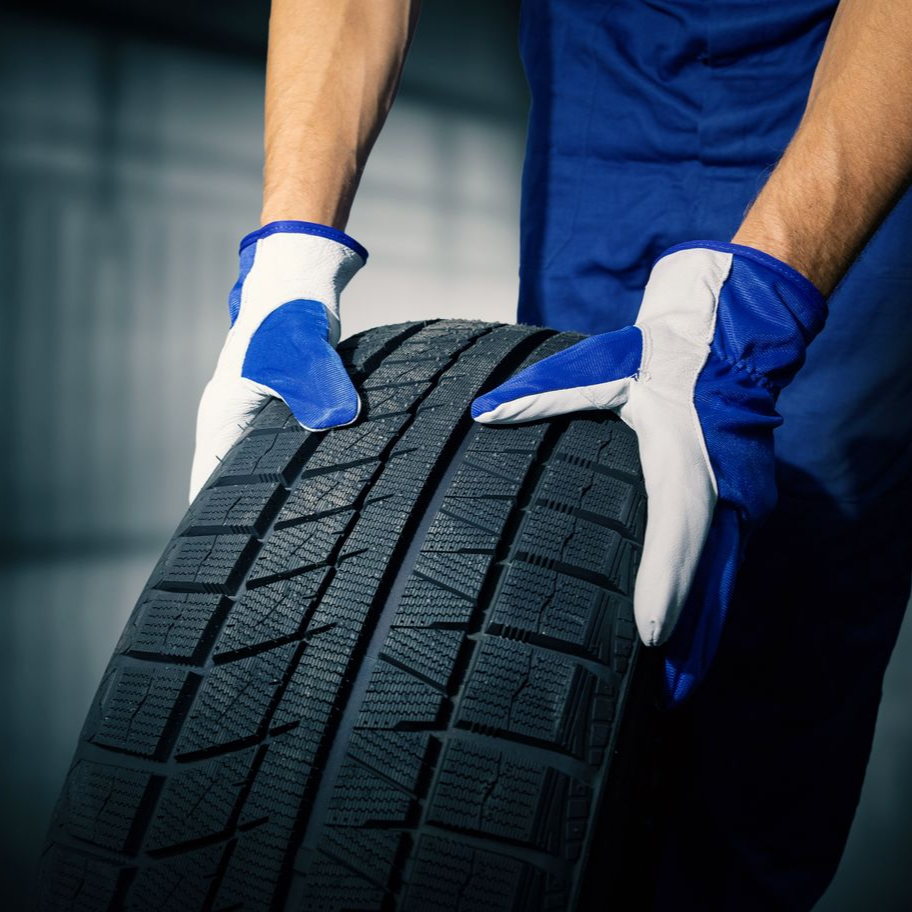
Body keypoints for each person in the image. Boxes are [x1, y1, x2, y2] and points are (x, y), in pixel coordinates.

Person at [190, 1, 912, 908]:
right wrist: (288, 256)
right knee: (564, 575)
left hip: (850, 87)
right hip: (605, 91)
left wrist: (759, 308)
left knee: (778, 624)